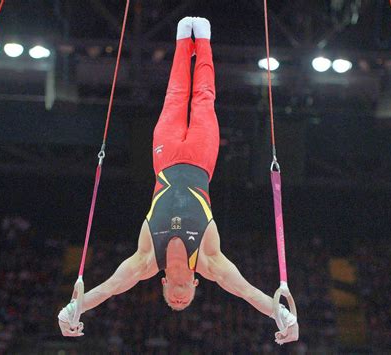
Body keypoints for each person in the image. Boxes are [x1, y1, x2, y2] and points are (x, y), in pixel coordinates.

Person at [58, 17, 298, 345]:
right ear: (197, 283)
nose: (179, 302)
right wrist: (283, 316)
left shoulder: (146, 260)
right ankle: (206, 41)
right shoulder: (209, 261)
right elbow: (247, 292)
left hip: (165, 158)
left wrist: (73, 308)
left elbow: (109, 288)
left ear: (164, 286)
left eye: (173, 301)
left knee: (174, 97)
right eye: (184, 301)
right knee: (203, 98)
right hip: (202, 157)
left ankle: (184, 40)